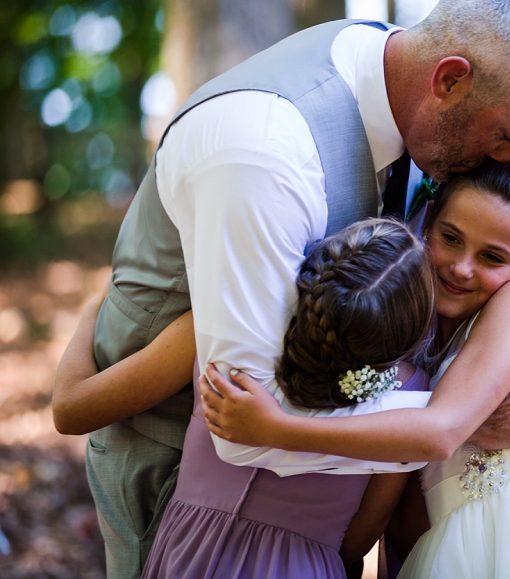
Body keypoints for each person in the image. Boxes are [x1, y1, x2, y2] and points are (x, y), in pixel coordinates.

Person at [80, 0, 510, 579]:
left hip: (318, 530)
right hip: (184, 491)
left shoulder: (397, 89)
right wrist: (462, 418)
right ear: (449, 79)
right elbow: (248, 426)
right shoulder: (264, 152)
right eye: (505, 135)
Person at [199, 143, 510, 578]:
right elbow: (394, 510)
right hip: (456, 541)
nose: (461, 268)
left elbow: (439, 432)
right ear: (428, 222)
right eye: (451, 238)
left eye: (492, 257)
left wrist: (277, 430)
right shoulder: (411, 348)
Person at [55, 220, 436, 578]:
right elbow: (358, 541)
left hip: (188, 555)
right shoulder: (411, 400)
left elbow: (72, 409)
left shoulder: (223, 337)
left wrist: (93, 308)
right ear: (411, 333)